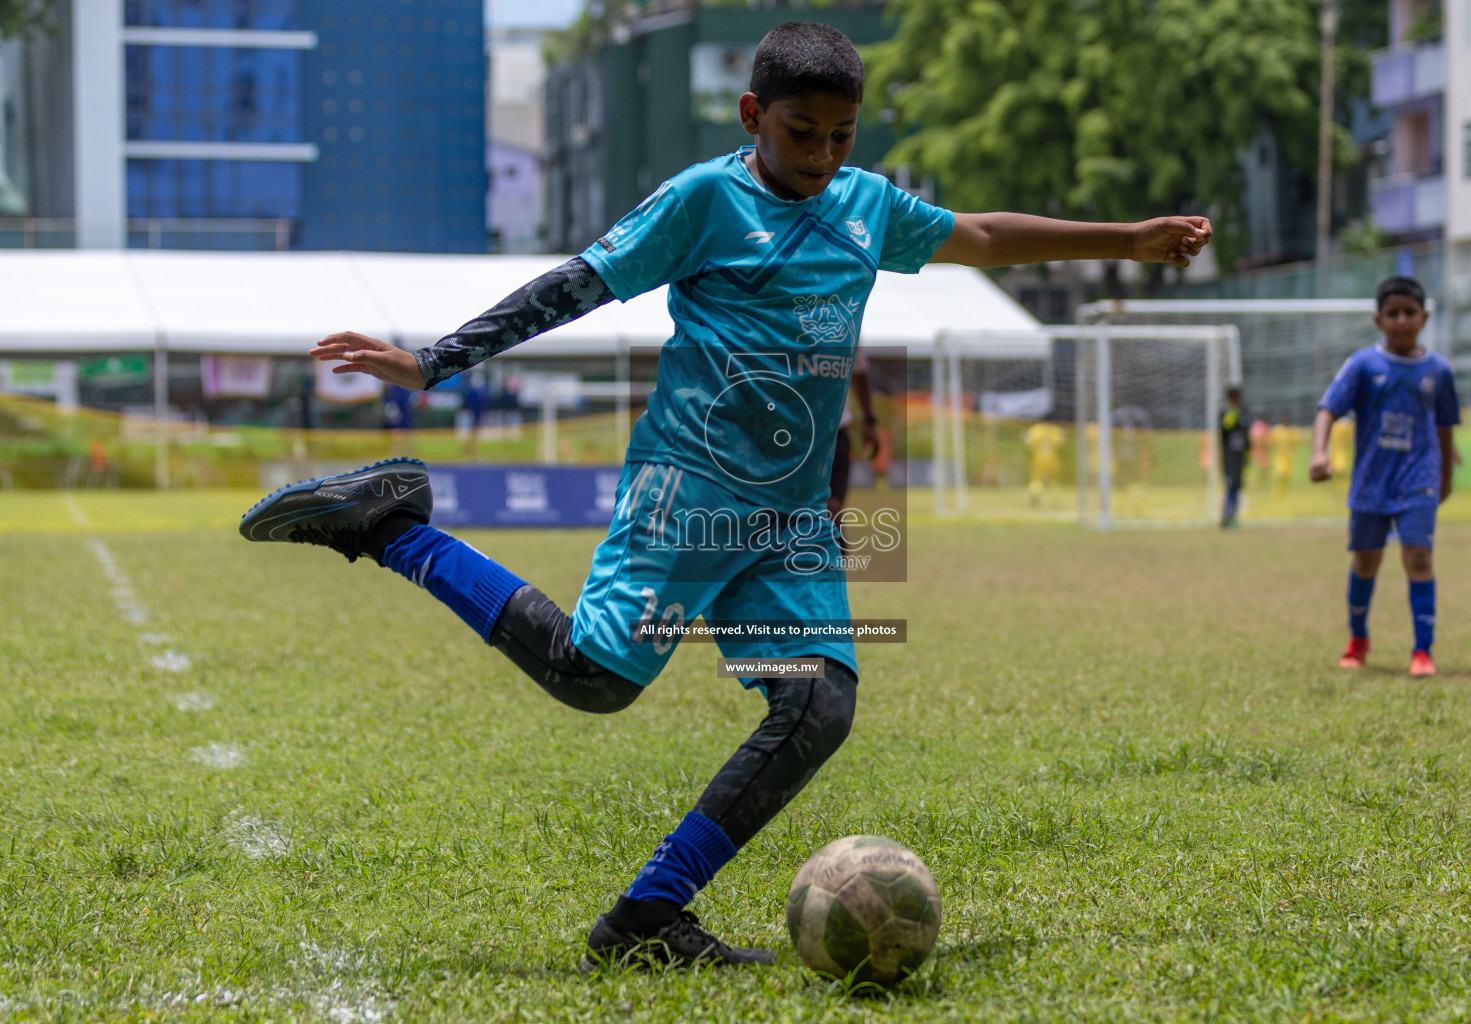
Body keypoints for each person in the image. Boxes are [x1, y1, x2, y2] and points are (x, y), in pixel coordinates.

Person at [238, 22, 1211, 971]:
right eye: (803, 132)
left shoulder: (868, 206)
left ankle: (648, 913)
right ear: (754, 113)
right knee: (595, 678)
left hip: (788, 516)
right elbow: (579, 282)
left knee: (819, 707)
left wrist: (1128, 236)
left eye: (842, 135)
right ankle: (391, 526)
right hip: (690, 488)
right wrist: (434, 362)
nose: (826, 155)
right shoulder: (704, 200)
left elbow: (986, 235)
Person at [1310, 276, 1459, 677]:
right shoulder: (1362, 365)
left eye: (1409, 312)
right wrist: (1318, 452)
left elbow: (1445, 426)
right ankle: (1358, 639)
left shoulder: (1439, 370)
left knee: (1418, 557)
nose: (1401, 320)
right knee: (1366, 561)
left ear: (1424, 317)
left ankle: (1422, 651)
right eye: (1392, 313)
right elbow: (1328, 410)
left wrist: (1446, 474)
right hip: (1372, 481)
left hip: (1419, 480)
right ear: (1378, 320)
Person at [827, 348, 878, 553]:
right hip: (801, 436)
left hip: (836, 435)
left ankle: (835, 567)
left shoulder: (848, 323)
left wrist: (870, 420)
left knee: (833, 509)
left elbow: (860, 373)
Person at [1219, 386, 1251, 528]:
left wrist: (1247, 453)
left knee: (1237, 486)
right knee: (1230, 486)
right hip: (1229, 457)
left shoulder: (1244, 413)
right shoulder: (1225, 414)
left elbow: (1247, 435)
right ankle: (1227, 517)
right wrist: (1234, 415)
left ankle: (1233, 517)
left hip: (1240, 458)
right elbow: (1225, 427)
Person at [1024, 419, 1065, 506]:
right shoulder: (1055, 429)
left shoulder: (1035, 429)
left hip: (1038, 457)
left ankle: (1035, 493)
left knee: (1037, 479)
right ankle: (1055, 499)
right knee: (1055, 480)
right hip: (1052, 457)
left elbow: (1029, 443)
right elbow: (1059, 443)